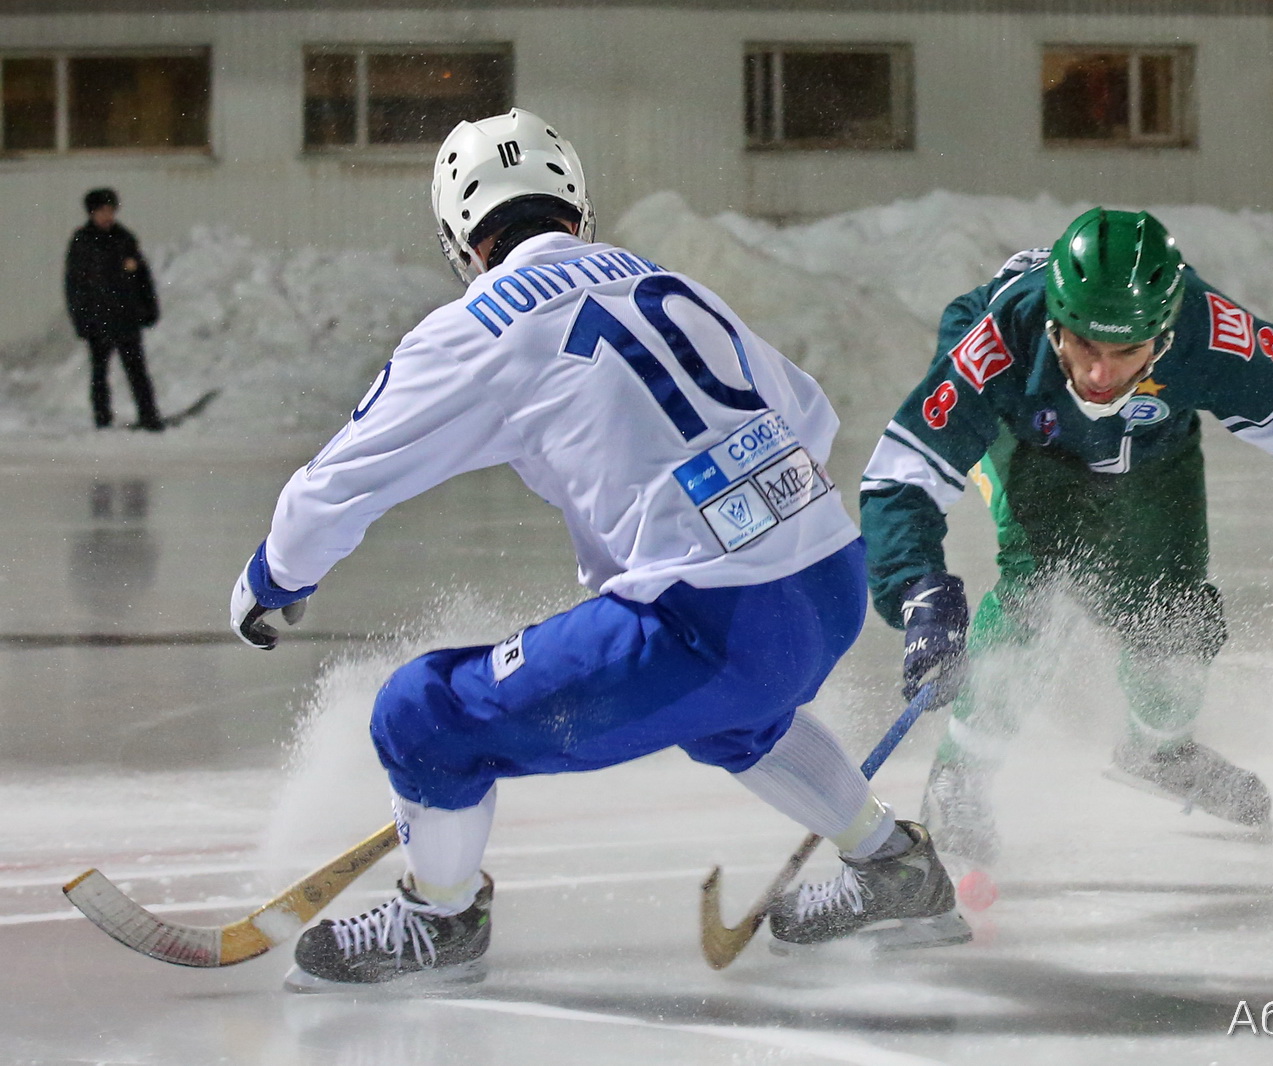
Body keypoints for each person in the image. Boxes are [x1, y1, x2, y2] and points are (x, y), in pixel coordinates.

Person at [227, 108, 970, 989]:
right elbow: (809, 413)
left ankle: (441, 923)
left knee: (421, 715)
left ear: (462, 240)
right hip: (827, 581)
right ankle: (893, 868)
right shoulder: (665, 281)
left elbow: (341, 479)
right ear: (578, 209)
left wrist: (275, 576)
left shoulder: (478, 327)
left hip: (711, 624)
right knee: (738, 717)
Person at [859, 208, 1273, 872]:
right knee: (1040, 588)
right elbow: (902, 474)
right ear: (1055, 323)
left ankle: (1159, 749)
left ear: (1165, 335)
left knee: (1175, 612)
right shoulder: (1000, 342)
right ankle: (960, 776)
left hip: (1151, 445)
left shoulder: (1212, 334)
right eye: (1082, 345)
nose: (1100, 374)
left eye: (1126, 351)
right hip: (1029, 433)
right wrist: (917, 590)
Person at [65, 188, 164, 431]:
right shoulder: (83, 242)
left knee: (137, 370)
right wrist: (81, 319)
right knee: (100, 373)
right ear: (91, 213)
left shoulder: (124, 238)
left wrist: (149, 307)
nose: (107, 216)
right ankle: (102, 419)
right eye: (102, 211)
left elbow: (142, 278)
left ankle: (149, 416)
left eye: (111, 210)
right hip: (98, 319)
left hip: (126, 317)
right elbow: (74, 286)